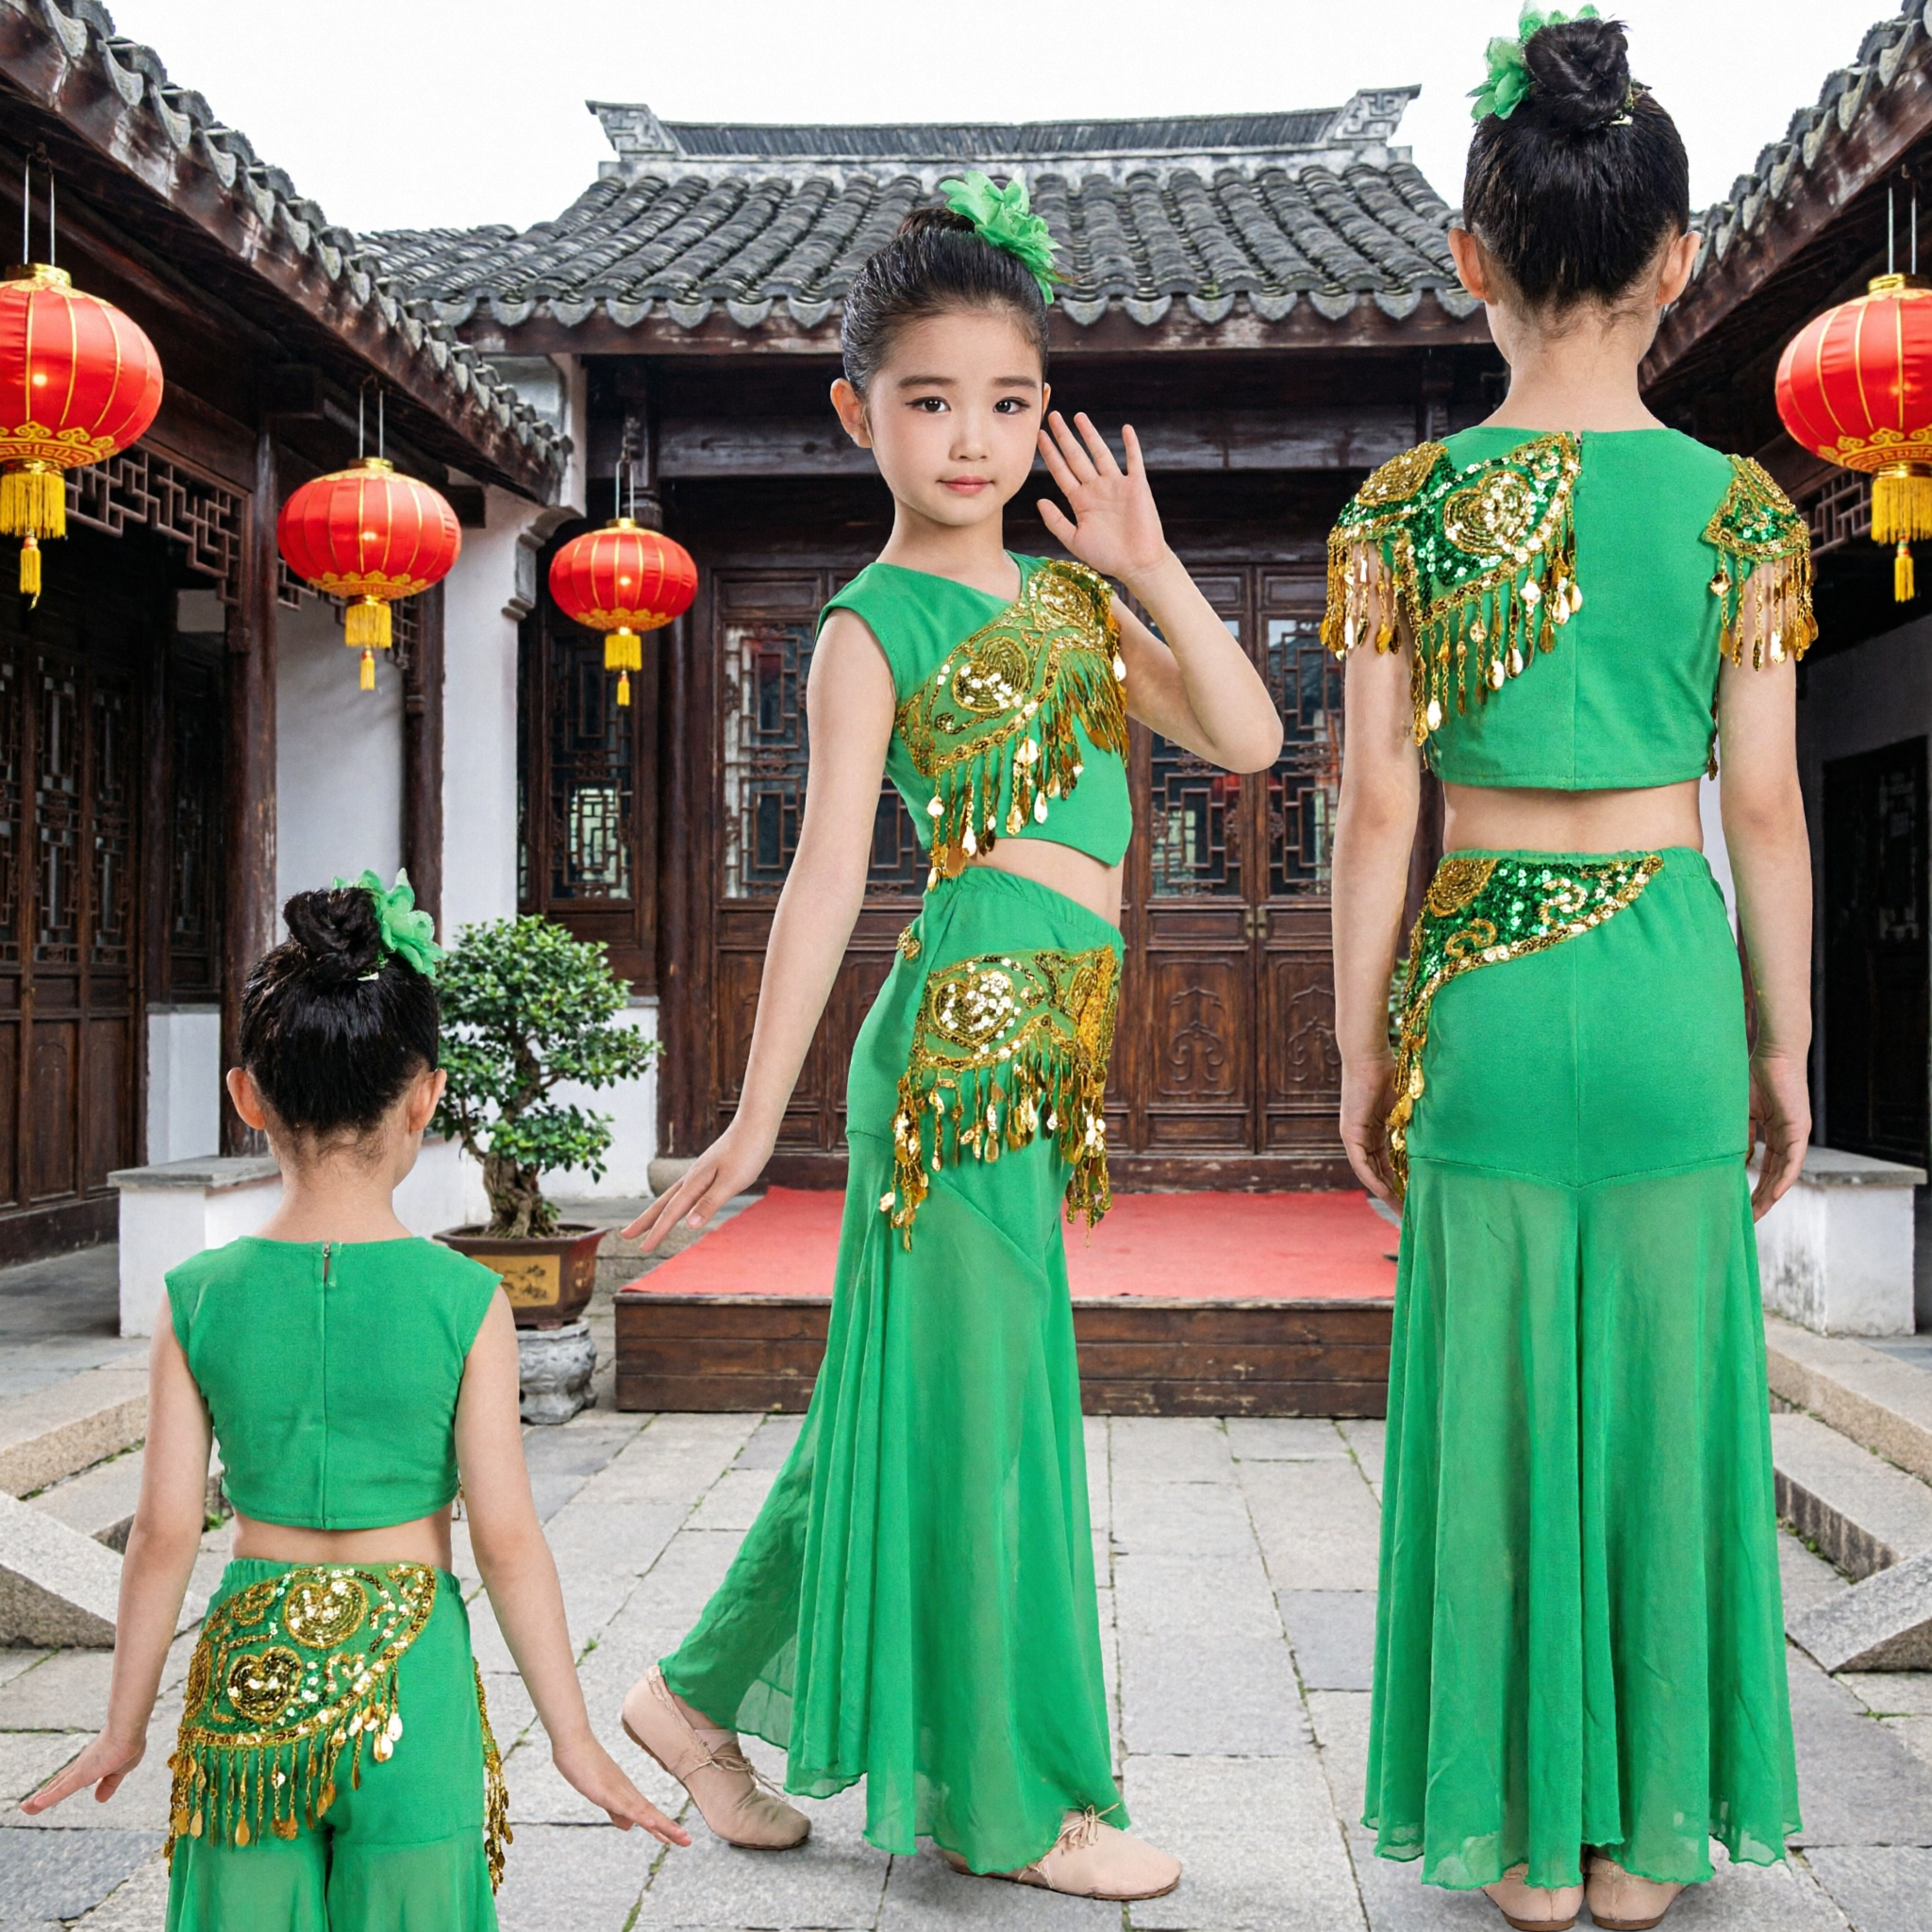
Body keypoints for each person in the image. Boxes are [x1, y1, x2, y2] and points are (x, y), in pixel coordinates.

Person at [618, 175, 1282, 1898]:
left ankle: (690, 1700)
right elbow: (824, 875)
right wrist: (755, 1123)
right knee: (986, 1417)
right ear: (857, 411)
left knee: (911, 1404)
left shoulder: (1068, 609)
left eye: (1006, 402)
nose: (972, 440)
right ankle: (1011, 1802)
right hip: (958, 1044)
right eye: (928, 401)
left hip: (1041, 1035)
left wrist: (1142, 560)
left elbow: (1251, 732)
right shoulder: (864, 626)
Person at [1327, 14, 1810, 1932]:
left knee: (1501, 1387)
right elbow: (1762, 812)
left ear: (1470, 258)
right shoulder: (1746, 513)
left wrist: (1358, 1043)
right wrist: (1784, 1049)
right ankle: (1643, 1838)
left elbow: (1376, 812)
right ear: (1677, 255)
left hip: (1483, 987)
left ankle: (1518, 1835)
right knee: (1675, 1391)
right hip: (1674, 968)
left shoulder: (1398, 512)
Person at [24, 873, 689, 1928]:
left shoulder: (196, 1299)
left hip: (251, 1665)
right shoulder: (466, 1298)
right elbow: (508, 1539)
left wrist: (122, 1725)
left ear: (248, 1097)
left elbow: (159, 1533)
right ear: (424, 1096)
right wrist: (573, 1739)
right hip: (409, 1671)